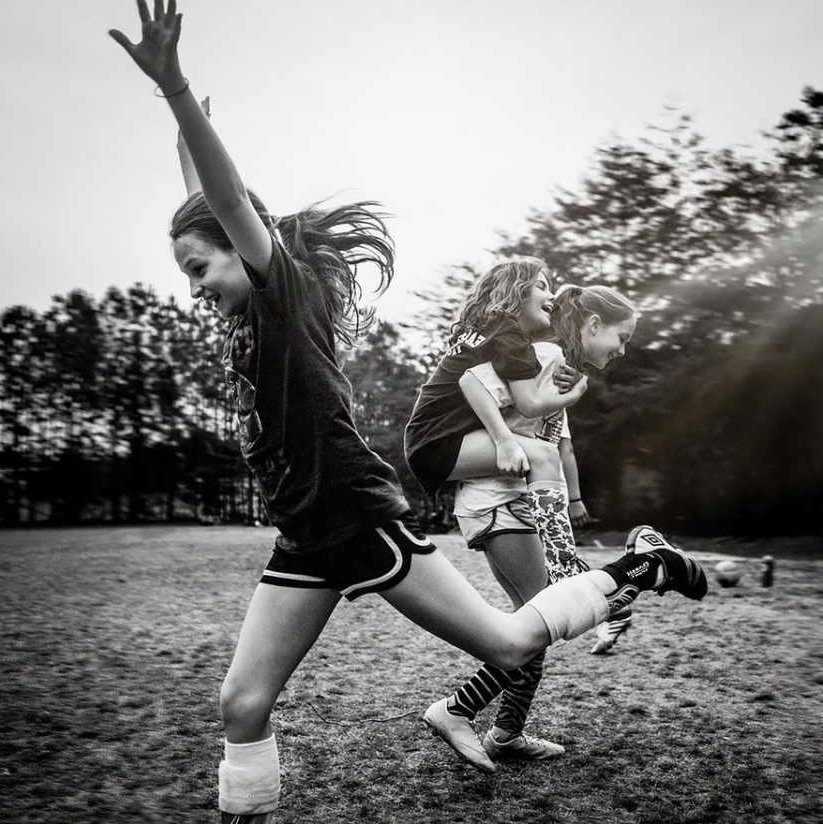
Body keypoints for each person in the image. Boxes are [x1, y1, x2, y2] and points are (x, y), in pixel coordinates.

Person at [109, 5, 708, 821]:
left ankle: (642, 566)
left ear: (242, 244)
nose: (193, 287)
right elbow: (208, 200)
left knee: (505, 642)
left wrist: (176, 92)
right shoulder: (251, 308)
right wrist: (179, 132)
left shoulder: (281, 292)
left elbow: (222, 198)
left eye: (197, 266)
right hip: (306, 531)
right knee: (239, 706)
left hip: (354, 515)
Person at [416, 286, 638, 770]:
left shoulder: (562, 366)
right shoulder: (543, 354)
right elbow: (475, 388)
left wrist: (570, 497)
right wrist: (501, 439)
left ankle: (506, 732)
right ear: (594, 324)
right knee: (538, 621)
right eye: (620, 337)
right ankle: (456, 710)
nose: (622, 351)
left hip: (519, 503)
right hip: (497, 503)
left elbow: (556, 447)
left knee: (534, 622)